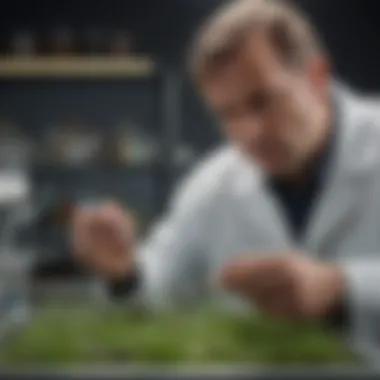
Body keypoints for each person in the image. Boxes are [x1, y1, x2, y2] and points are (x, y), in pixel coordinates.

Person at [71, 0, 380, 360]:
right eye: (227, 114)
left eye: (262, 102)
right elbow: (159, 290)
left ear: (317, 78)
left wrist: (344, 289)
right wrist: (123, 273)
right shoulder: (212, 187)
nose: (248, 133)